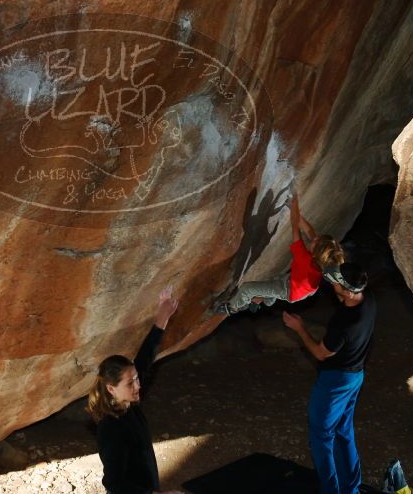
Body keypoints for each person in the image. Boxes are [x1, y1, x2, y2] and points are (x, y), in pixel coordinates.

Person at [282, 262, 375, 494]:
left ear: (348, 290)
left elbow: (321, 353)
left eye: (337, 282)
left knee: (321, 436)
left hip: (336, 381)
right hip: (356, 376)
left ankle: (330, 490)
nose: (332, 282)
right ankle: (351, 488)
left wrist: (300, 328)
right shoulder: (368, 299)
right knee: (344, 431)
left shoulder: (345, 323)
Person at [87, 287, 183, 494]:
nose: (138, 386)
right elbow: (114, 483)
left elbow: (146, 357)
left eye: (137, 379)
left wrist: (162, 316)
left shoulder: (127, 404)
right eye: (130, 383)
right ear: (111, 388)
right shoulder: (110, 428)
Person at [213, 187, 344, 316]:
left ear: (316, 254)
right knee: (273, 281)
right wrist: (291, 207)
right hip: (303, 287)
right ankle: (263, 300)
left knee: (247, 289)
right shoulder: (321, 259)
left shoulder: (305, 259)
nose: (314, 239)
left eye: (316, 242)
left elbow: (294, 225)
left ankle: (231, 308)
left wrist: (295, 199)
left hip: (290, 290)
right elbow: (310, 232)